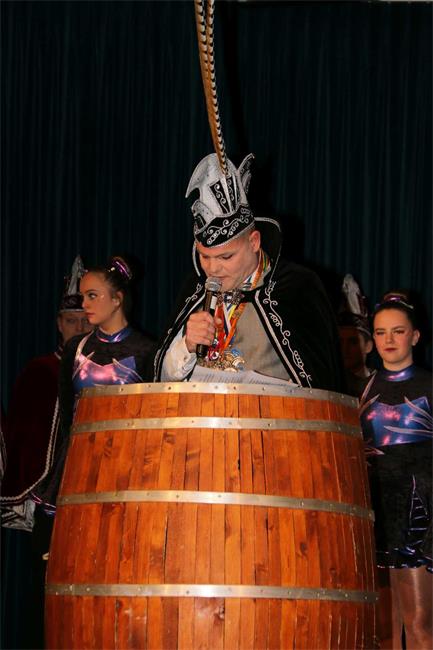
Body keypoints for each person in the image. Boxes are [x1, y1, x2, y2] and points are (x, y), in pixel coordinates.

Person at [154, 153, 344, 391]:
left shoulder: (295, 287)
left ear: (254, 242)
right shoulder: (195, 290)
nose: (212, 269)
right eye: (204, 256)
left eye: (226, 257)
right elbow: (159, 381)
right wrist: (186, 346)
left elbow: (320, 384)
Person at [1, 255, 92, 650]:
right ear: (58, 323)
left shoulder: (107, 370)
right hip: (49, 502)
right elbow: (28, 437)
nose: (80, 327)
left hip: (90, 497)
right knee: (45, 591)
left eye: (86, 320)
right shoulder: (40, 371)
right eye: (72, 321)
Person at [32, 255, 155, 515]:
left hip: (126, 465)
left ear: (117, 299)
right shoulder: (75, 349)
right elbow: (67, 416)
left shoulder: (147, 351)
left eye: (92, 296)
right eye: (83, 296)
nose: (84, 304)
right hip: (80, 462)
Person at [359, 291, 432, 649]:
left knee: (418, 623)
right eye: (380, 332)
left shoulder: (429, 386)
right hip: (377, 513)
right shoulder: (363, 389)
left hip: (420, 513)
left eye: (398, 331)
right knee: (384, 627)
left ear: (415, 336)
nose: (388, 340)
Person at [337, 273, 374, 397]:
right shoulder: (330, 383)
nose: (345, 349)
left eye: (353, 342)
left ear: (368, 346)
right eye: (340, 342)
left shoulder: (383, 383)